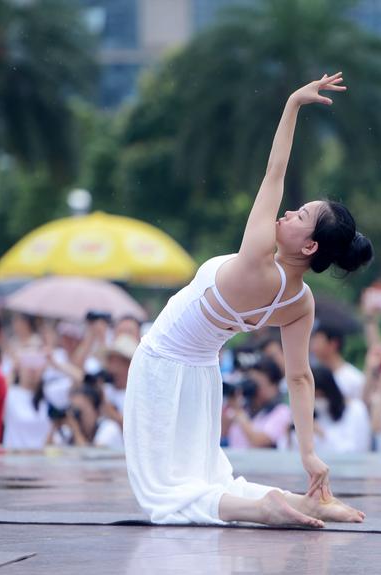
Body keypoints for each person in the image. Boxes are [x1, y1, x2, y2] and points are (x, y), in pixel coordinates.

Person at [124, 73, 368, 528]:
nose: (289, 212)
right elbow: (299, 378)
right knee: (205, 477)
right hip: (202, 374)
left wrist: (293, 104)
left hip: (161, 362)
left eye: (302, 216)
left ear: (310, 246)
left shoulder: (256, 258)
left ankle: (262, 509)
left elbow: (275, 170)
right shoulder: (301, 301)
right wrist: (309, 454)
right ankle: (306, 501)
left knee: (160, 495)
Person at [288, 366, 370, 454]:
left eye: (321, 396)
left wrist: (323, 434)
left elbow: (356, 449)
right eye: (314, 397)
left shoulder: (355, 410)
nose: (318, 401)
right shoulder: (309, 415)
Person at [224, 358, 292, 449]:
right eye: (251, 382)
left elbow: (259, 441)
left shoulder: (282, 411)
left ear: (273, 386)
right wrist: (230, 400)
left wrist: (238, 412)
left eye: (258, 384)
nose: (254, 387)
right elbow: (221, 432)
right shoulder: (243, 408)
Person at [310, 324, 365, 401]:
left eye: (317, 342)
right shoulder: (314, 376)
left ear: (333, 344)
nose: (313, 348)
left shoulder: (354, 379)